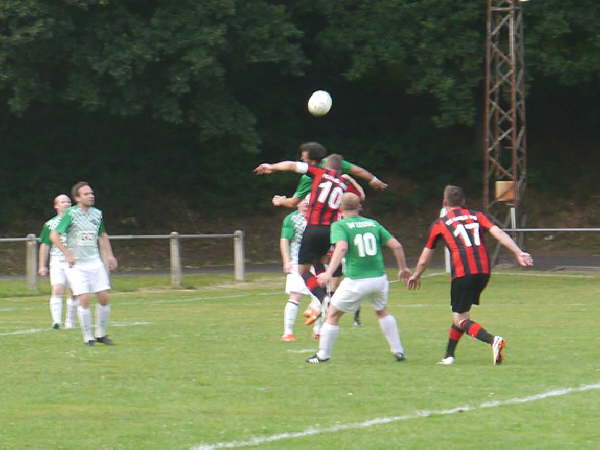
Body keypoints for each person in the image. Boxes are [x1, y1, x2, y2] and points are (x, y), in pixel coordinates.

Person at [407, 185, 533, 366]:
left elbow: (425, 257)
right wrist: (518, 252)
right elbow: (498, 233)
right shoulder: (478, 215)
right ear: (464, 202)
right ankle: (449, 356)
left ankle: (492, 340)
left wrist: (417, 275)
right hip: (484, 272)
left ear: (444, 202)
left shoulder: (440, 224)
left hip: (463, 273)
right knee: (461, 314)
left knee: (460, 319)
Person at [254, 152, 364, 323]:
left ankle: (323, 300)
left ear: (326, 165)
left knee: (302, 270)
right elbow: (360, 198)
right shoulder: (343, 183)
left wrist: (272, 166)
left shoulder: (319, 173)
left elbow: (291, 165)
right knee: (317, 261)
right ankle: (327, 294)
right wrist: (351, 179)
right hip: (331, 231)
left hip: (313, 228)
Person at [305, 192, 411, 364]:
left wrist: (329, 272)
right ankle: (398, 351)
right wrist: (403, 268)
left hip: (356, 280)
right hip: (379, 279)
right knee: (382, 311)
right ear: (359, 207)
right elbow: (396, 245)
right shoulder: (373, 223)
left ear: (340, 208)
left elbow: (341, 248)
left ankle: (322, 355)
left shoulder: (340, 225)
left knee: (332, 314)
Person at [50, 181, 118, 346]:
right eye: (86, 194)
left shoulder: (97, 214)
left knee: (103, 297)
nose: (91, 196)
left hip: (94, 261)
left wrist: (110, 255)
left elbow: (102, 235)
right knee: (84, 298)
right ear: (77, 198)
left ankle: (101, 334)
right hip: (77, 265)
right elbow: (54, 235)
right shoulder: (70, 214)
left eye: (92, 193)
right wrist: (67, 254)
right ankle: (88, 337)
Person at [270, 141, 386, 209]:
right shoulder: (334, 162)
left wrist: (281, 201)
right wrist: (373, 179)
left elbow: (293, 203)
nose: (301, 159)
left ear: (311, 161)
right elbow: (358, 171)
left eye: (303, 158)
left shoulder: (308, 177)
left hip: (320, 221)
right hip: (343, 216)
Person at [279, 199, 322, 341]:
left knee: (320, 295)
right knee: (295, 295)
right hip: (298, 262)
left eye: (309, 202)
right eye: (303, 201)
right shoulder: (291, 219)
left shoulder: (319, 218)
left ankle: (318, 331)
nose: (305, 204)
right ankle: (288, 333)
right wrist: (286, 260)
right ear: (297, 203)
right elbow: (284, 240)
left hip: (317, 261)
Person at [38, 194, 78, 329]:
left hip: (73, 261)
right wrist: (42, 265)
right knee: (57, 289)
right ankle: (56, 322)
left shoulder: (77, 222)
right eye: (63, 202)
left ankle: (70, 322)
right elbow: (45, 245)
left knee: (73, 291)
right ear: (56, 206)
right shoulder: (50, 224)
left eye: (68, 201)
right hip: (57, 261)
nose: (66, 204)